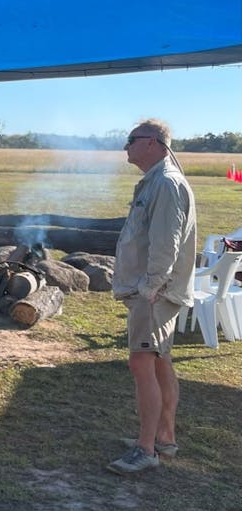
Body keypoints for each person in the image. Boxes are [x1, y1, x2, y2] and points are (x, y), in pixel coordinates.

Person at [108, 119, 197, 475]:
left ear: (153, 143)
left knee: (141, 363)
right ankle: (164, 438)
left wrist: (149, 288)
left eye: (131, 140)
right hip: (155, 291)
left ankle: (146, 449)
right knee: (159, 361)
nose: (125, 147)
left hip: (154, 294)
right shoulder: (158, 180)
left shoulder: (166, 182)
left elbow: (166, 242)